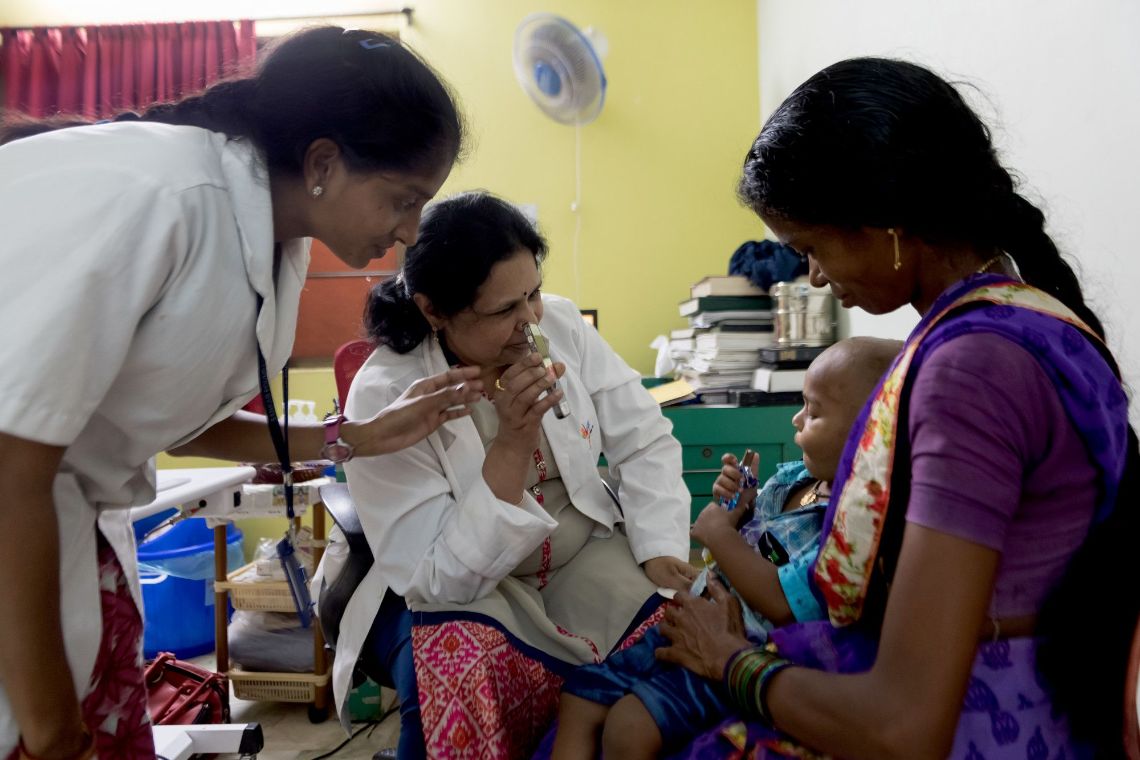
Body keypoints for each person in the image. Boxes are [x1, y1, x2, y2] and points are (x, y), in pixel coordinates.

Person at [0, 27, 485, 760]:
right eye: (403, 198)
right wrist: (49, 728)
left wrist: (355, 437)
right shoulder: (163, 198)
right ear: (323, 162)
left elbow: (174, 414)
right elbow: (11, 466)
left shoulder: (273, 239)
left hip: (71, 533)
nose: (410, 231)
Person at [655, 57, 1138, 759]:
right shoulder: (1037, 325)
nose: (814, 276)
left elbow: (904, 726)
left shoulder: (970, 371)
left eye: (811, 248)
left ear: (883, 222)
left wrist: (730, 659)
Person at [321, 190, 693, 759]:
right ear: (434, 311)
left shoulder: (562, 325)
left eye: (533, 294)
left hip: (579, 555)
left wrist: (660, 546)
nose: (531, 322)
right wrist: (513, 443)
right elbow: (440, 577)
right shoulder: (388, 393)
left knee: (675, 632)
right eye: (503, 311)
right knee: (463, 669)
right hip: (469, 585)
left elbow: (642, 437)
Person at [549, 337, 901, 759]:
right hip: (694, 617)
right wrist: (737, 506)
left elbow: (781, 603)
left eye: (813, 412)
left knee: (629, 727)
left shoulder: (844, 527)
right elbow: (750, 540)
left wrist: (719, 534)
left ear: (870, 434)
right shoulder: (793, 480)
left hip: (741, 645)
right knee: (579, 696)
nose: (796, 419)